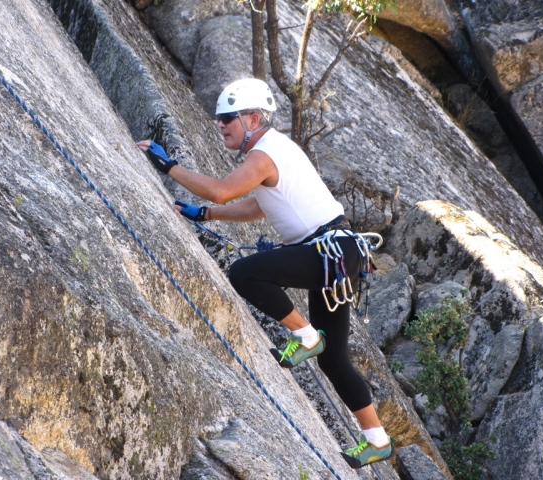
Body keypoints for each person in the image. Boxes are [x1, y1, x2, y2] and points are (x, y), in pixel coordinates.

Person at [137, 78, 394, 468]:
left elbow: (223, 191)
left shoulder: (264, 154)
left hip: (327, 252)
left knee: (245, 274)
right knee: (335, 359)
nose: (220, 125)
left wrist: (169, 166)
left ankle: (305, 335)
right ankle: (377, 438)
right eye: (218, 118)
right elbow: (259, 206)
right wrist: (205, 214)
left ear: (253, 117)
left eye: (228, 118)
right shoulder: (274, 151)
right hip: (337, 254)